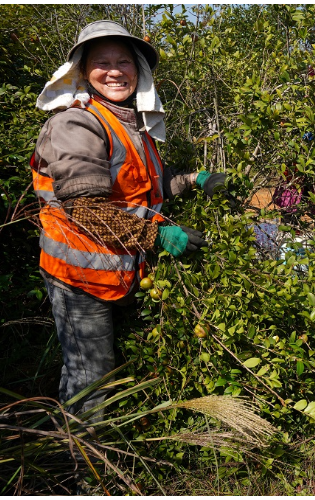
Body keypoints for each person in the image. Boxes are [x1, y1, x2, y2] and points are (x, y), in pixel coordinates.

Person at [31, 20, 227, 423]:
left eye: (124, 61)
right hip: (79, 276)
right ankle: (85, 469)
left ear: (139, 70)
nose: (115, 70)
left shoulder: (129, 122)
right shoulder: (77, 123)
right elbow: (85, 210)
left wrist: (194, 179)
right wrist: (157, 235)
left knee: (112, 366)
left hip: (115, 267)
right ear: (83, 71)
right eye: (102, 62)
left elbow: (146, 187)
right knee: (91, 378)